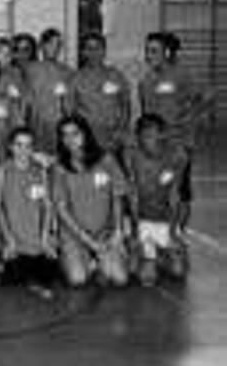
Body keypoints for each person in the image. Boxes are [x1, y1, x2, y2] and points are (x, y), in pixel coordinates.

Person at [138, 31, 214, 231]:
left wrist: (191, 119)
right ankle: (161, 229)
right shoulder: (145, 81)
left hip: (180, 144)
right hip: (156, 145)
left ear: (167, 52)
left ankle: (179, 231)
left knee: (181, 190)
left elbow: (207, 96)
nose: (148, 56)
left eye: (153, 51)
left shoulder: (182, 75)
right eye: (147, 51)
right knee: (159, 189)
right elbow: (148, 115)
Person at [52, 115, 130, 287]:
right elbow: (62, 209)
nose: (70, 140)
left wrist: (118, 231)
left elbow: (117, 196)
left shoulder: (106, 160)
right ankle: (76, 256)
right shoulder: (60, 167)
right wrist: (88, 241)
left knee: (120, 280)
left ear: (86, 134)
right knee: (78, 280)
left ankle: (99, 260)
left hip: (105, 231)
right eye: (65, 135)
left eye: (75, 133)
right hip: (75, 235)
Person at [123, 114, 189, 285]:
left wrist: (173, 232)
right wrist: (136, 230)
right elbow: (133, 194)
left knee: (178, 272)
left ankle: (161, 252)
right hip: (143, 219)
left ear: (163, 134)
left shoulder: (178, 155)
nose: (148, 141)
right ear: (137, 137)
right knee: (144, 278)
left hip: (165, 219)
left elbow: (176, 195)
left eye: (153, 135)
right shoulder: (131, 155)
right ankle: (146, 252)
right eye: (144, 136)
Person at [0, 127, 61, 297]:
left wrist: (45, 237)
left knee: (51, 269)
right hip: (14, 238)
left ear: (33, 149)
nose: (23, 150)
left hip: (36, 237)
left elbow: (47, 206)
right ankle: (10, 270)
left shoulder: (40, 170)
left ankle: (34, 280)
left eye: (28, 145)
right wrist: (9, 239)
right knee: (14, 272)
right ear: (11, 147)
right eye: (19, 145)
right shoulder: (3, 170)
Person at [68, 32, 131, 157]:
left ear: (104, 51)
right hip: (87, 142)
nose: (93, 53)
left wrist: (120, 132)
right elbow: (71, 111)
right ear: (83, 52)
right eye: (89, 48)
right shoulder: (76, 79)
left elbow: (125, 106)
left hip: (113, 141)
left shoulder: (116, 76)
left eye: (97, 48)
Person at [25, 28, 73, 155]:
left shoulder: (67, 72)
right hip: (37, 126)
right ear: (42, 45)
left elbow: (70, 105)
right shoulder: (30, 69)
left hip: (59, 126)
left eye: (58, 45)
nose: (54, 48)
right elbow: (25, 102)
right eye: (50, 44)